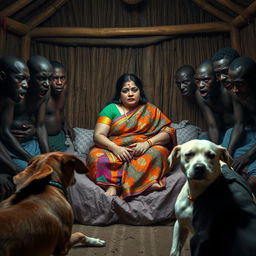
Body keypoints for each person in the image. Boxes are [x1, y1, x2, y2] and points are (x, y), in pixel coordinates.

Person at [86, 73, 177, 199]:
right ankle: (116, 185)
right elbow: (98, 135)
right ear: (119, 94)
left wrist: (147, 143)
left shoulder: (150, 109)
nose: (130, 94)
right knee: (96, 158)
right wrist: (115, 148)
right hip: (114, 149)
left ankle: (121, 185)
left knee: (159, 152)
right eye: (125, 90)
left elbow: (168, 132)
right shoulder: (110, 109)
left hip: (142, 150)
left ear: (140, 92)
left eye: (134, 90)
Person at [0, 55, 52, 171]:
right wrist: (28, 160)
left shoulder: (43, 93)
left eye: (50, 78)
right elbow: (4, 132)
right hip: (12, 147)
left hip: (30, 143)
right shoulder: (12, 94)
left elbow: (40, 125)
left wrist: (48, 157)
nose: (47, 84)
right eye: (42, 78)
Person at [222, 56, 256, 195]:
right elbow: (239, 124)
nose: (235, 89)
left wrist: (247, 156)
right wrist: (228, 153)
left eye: (239, 84)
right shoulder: (237, 94)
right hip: (252, 134)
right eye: (232, 84)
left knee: (250, 175)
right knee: (230, 134)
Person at [0, 55, 30, 200]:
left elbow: (4, 133)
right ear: (2, 77)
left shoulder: (8, 98)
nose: (26, 85)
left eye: (27, 80)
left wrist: (30, 159)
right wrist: (14, 169)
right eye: (20, 79)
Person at [194, 59, 241, 144]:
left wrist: (226, 150)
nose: (200, 85)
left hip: (238, 132)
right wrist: (214, 149)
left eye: (206, 80)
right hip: (219, 133)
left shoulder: (230, 91)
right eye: (197, 80)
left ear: (217, 78)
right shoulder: (199, 95)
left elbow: (240, 124)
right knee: (198, 144)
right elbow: (212, 126)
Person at [45, 61, 74, 152]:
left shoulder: (64, 89)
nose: (60, 82)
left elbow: (59, 110)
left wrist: (65, 124)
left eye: (62, 78)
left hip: (59, 135)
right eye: (55, 78)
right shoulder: (43, 94)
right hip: (45, 138)